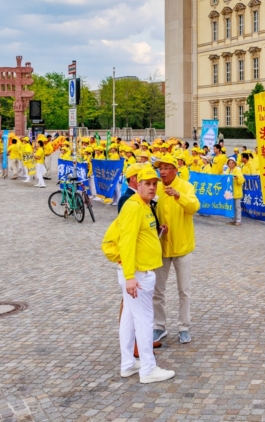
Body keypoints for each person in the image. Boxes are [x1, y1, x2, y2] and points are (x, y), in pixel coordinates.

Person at [101, 164, 175, 383]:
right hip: (138, 273)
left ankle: (128, 364)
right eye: (147, 184)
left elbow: (142, 237)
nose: (152, 188)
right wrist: (130, 275)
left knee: (129, 319)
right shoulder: (133, 207)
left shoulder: (142, 205)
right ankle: (148, 369)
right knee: (144, 319)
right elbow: (127, 241)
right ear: (137, 184)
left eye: (155, 184)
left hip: (139, 271)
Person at [152, 154, 199, 346]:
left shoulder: (186, 186)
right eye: (160, 168)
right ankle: (159, 326)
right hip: (161, 247)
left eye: (165, 167)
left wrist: (179, 196)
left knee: (184, 290)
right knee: (157, 290)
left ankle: (183, 327)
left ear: (175, 169)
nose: (162, 171)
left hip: (182, 246)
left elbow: (194, 206)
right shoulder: (155, 188)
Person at [223, 156, 244, 226]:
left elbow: (242, 180)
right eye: (229, 163)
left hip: (237, 192)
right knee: (232, 207)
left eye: (232, 163)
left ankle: (238, 220)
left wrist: (237, 178)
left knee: (237, 207)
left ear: (235, 164)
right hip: (230, 193)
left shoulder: (238, 170)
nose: (231, 165)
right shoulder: (227, 171)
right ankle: (233, 219)